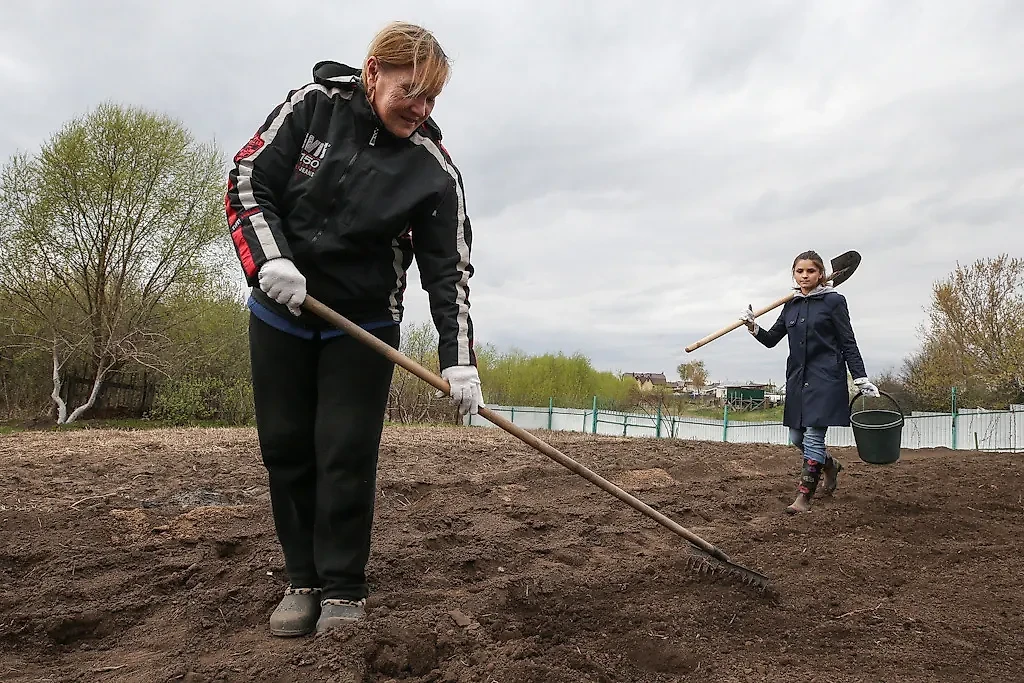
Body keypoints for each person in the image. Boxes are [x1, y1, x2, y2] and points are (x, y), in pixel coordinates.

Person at [225, 21, 485, 636]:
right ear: (373, 72)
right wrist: (270, 261)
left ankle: (343, 587)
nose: (420, 110)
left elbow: (448, 271)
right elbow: (247, 179)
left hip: (362, 324)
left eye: (431, 99)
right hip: (282, 310)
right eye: (410, 92)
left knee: (344, 451)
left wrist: (458, 358)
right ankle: (302, 581)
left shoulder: (433, 172)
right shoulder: (312, 107)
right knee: (286, 448)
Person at [740, 250, 879, 514]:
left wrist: (860, 377)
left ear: (821, 274)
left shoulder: (834, 301)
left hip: (826, 379)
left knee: (814, 437)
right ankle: (830, 465)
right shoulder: (790, 305)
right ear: (794, 274)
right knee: (797, 437)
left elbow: (848, 342)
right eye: (799, 271)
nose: (805, 276)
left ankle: (803, 498)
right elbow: (771, 340)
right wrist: (752, 326)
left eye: (811, 271)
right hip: (798, 379)